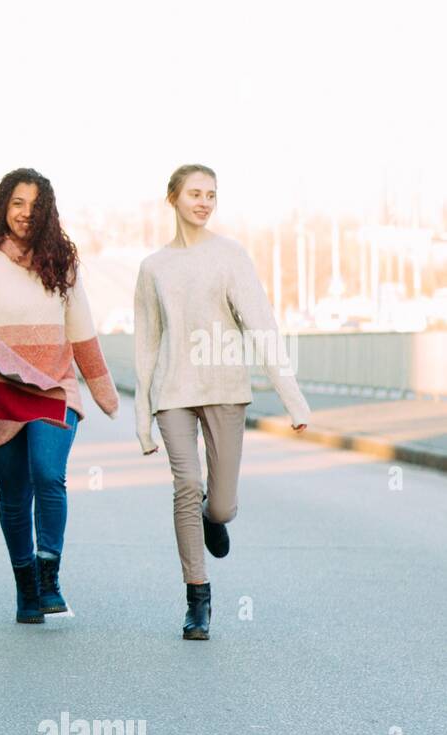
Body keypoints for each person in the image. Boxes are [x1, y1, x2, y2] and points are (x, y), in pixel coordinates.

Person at [133, 163, 310, 640]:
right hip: (173, 390)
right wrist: (142, 418)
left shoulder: (231, 256)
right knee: (186, 484)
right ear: (173, 197)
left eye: (212, 194)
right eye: (195, 193)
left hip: (225, 388)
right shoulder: (153, 267)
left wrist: (293, 400)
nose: (204, 202)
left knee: (222, 507)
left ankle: (216, 514)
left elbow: (261, 325)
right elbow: (147, 341)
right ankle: (198, 598)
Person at [0, 169, 118, 624]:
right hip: (0, 394)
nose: (26, 212)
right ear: (3, 206)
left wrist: (106, 396)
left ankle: (48, 575)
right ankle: (25, 585)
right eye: (18, 202)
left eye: (35, 204)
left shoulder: (61, 263)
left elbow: (81, 335)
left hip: (53, 387)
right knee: (13, 495)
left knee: (48, 475)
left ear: (48, 211)